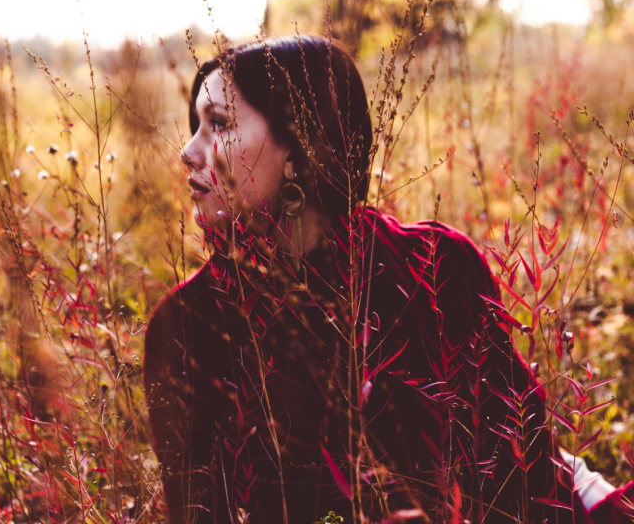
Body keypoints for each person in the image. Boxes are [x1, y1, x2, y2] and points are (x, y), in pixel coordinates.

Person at [143, 36, 629, 523]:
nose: (188, 151)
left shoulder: (434, 266)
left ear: (297, 149)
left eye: (219, 125)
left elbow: (519, 470)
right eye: (195, 125)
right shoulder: (186, 326)